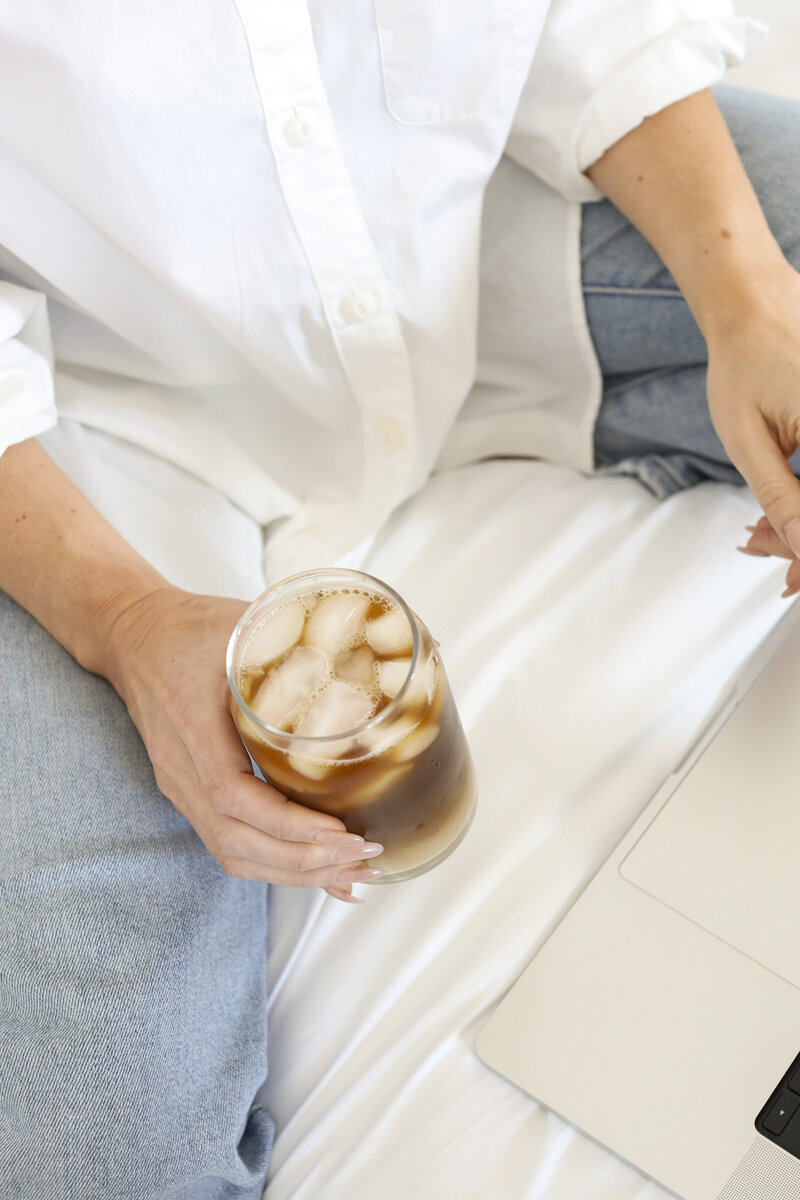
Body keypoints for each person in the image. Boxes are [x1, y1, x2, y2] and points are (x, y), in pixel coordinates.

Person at [1, 2, 798, 1196]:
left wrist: (748, 298)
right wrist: (119, 622)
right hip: (77, 425)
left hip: (450, 234)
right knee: (99, 1159)